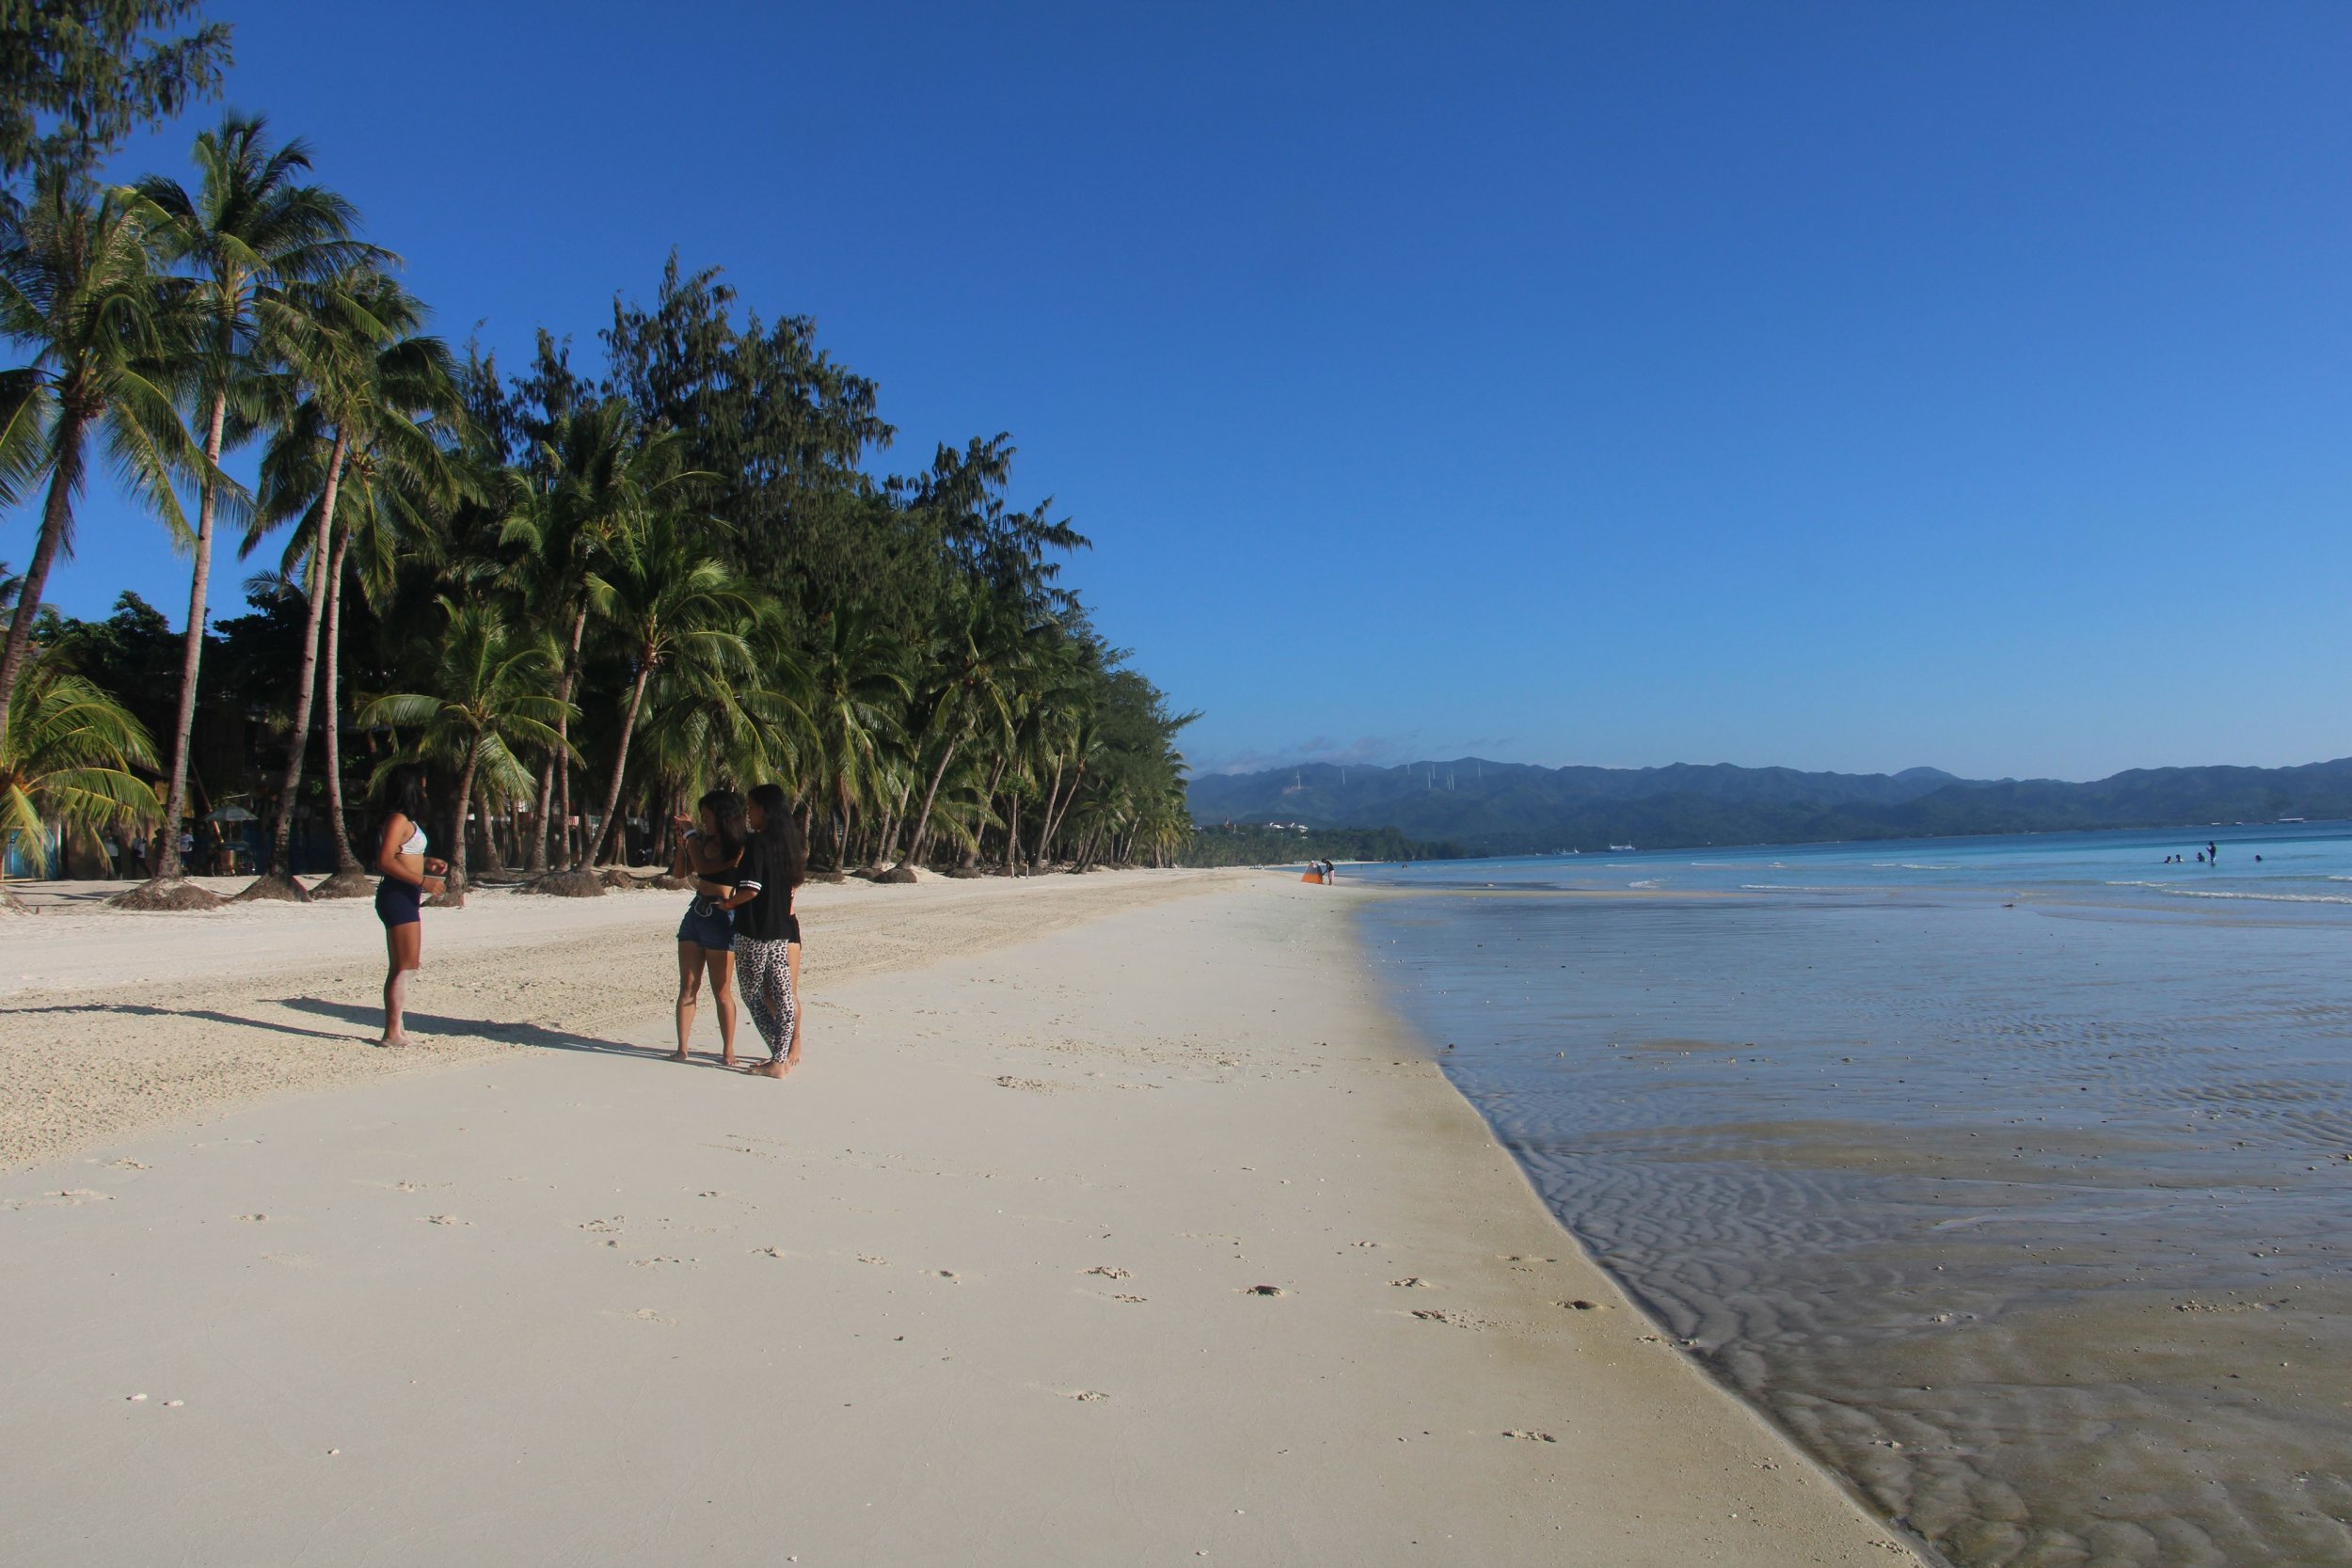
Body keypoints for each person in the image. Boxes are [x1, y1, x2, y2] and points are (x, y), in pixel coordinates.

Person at [705, 783, 806, 1078]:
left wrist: (728, 905)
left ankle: (778, 1058)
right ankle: (781, 1057)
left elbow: (751, 888)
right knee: (784, 996)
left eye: (751, 808)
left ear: (765, 809)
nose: (749, 814)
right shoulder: (789, 843)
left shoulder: (758, 844)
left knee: (753, 996)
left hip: (753, 931)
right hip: (780, 931)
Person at [668, 788, 748, 1066]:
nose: (705, 822)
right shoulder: (701, 841)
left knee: (721, 990)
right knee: (688, 985)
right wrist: (683, 843)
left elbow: (705, 866)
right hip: (697, 912)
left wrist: (690, 834)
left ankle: (728, 1050)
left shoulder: (738, 845)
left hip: (722, 915)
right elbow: (681, 872)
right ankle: (682, 1047)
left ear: (723, 816)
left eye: (707, 816)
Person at [372, 763, 448, 1048]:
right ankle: (392, 1032)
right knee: (406, 967)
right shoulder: (398, 820)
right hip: (397, 895)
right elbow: (385, 859)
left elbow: (406, 855)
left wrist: (429, 863)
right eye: (423, 785)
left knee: (403, 966)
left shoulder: (407, 821)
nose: (426, 791)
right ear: (412, 787)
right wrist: (423, 881)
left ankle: (395, 1029)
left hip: (405, 894)